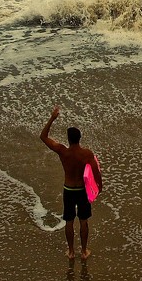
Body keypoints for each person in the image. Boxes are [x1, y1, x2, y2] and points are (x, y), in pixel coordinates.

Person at [41, 107, 102, 261]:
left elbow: (43, 136)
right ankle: (83, 252)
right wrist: (99, 188)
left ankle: (71, 252)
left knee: (69, 221)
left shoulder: (63, 152)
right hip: (82, 190)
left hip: (69, 189)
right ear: (80, 138)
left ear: (68, 139)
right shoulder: (87, 154)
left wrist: (52, 118)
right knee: (83, 221)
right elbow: (96, 172)